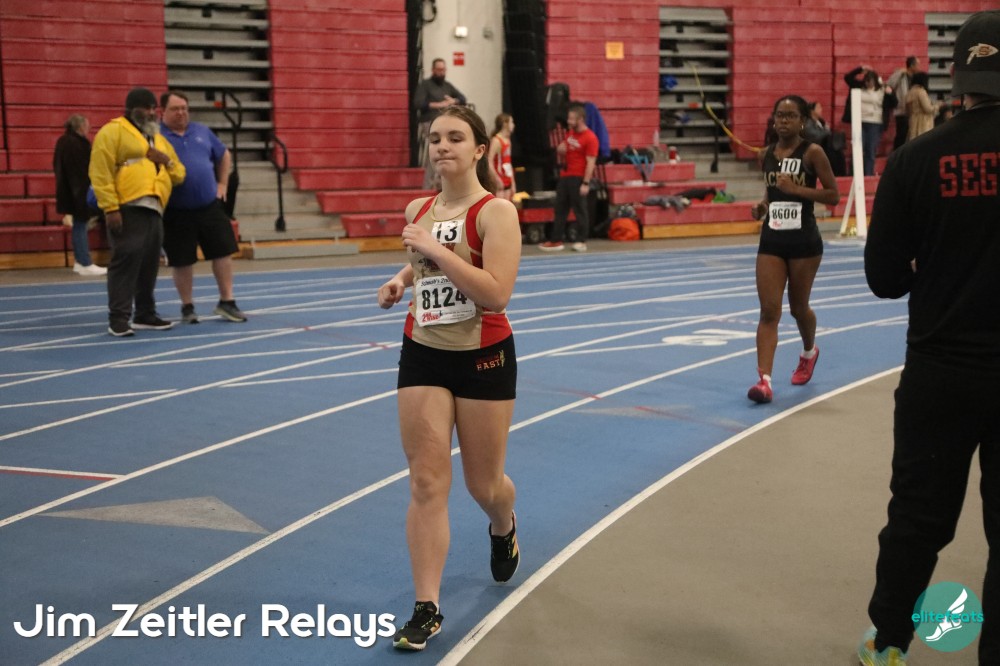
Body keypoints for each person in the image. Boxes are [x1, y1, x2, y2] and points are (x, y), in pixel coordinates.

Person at [858, 11, 1000, 665]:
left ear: (956, 75)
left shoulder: (914, 160)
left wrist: (934, 267)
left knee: (917, 517)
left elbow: (884, 279)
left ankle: (889, 643)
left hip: (940, 372)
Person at [376, 105, 521, 651]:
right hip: (423, 352)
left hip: (483, 356)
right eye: (435, 138)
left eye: (455, 137)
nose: (442, 146)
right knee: (426, 481)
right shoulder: (419, 208)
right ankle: (427, 606)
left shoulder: (496, 212)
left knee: (484, 485)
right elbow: (428, 264)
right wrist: (402, 279)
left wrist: (433, 249)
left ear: (479, 149)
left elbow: (495, 293)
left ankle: (503, 524)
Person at [747, 95, 840, 404]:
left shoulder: (813, 153)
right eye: (779, 115)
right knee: (769, 311)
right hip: (772, 241)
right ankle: (764, 381)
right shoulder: (766, 154)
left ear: (803, 121)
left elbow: (833, 196)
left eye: (790, 116)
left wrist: (796, 189)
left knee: (799, 308)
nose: (783, 121)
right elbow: (772, 192)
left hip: (804, 242)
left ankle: (809, 352)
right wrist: (763, 206)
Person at [89, 87, 185, 337]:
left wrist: (166, 161)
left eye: (154, 108)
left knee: (149, 264)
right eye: (146, 108)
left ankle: (145, 313)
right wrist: (110, 208)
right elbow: (100, 172)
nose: (151, 112)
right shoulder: (113, 131)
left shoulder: (158, 138)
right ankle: (118, 318)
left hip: (155, 208)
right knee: (125, 262)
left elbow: (179, 174)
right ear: (132, 109)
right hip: (127, 207)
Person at [159, 90, 246, 324]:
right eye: (175, 109)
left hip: (209, 205)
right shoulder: (157, 137)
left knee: (223, 251)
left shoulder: (201, 131)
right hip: (176, 210)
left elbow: (224, 154)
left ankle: (227, 301)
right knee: (182, 260)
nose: (181, 113)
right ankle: (187, 307)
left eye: (184, 109)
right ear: (162, 111)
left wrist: (222, 183)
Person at [538, 102, 599, 252]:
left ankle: (581, 240)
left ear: (581, 119)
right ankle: (556, 240)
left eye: (572, 119)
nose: (569, 121)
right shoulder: (570, 133)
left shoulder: (590, 138)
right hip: (565, 175)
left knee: (579, 210)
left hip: (578, 177)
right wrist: (561, 149)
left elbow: (591, 162)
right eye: (569, 118)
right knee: (560, 208)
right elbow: (565, 148)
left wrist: (585, 183)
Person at [54, 114, 106, 276]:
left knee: (79, 224)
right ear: (80, 126)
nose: (89, 128)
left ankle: (80, 261)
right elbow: (81, 170)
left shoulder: (64, 141)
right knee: (80, 225)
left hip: (71, 190)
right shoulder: (76, 144)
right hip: (78, 191)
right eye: (87, 125)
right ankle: (84, 261)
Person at [414, 58, 467, 189]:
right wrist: (439, 105)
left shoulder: (447, 86)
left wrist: (453, 101)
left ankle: (445, 182)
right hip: (429, 122)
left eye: (443, 70)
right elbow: (418, 103)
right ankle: (429, 184)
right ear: (433, 70)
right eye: (439, 70)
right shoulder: (425, 85)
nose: (441, 72)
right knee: (435, 152)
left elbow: (463, 98)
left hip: (446, 124)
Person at [844, 66, 887, 176]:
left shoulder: (882, 90)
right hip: (859, 121)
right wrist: (860, 69)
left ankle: (868, 175)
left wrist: (890, 93)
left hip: (875, 122)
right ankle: (854, 174)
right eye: (867, 81)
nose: (868, 84)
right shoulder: (859, 86)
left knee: (870, 150)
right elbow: (848, 78)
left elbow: (894, 102)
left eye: (870, 81)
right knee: (857, 149)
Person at [886, 56, 920, 150]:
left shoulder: (916, 77)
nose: (919, 67)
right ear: (912, 65)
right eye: (917, 65)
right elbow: (889, 84)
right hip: (901, 109)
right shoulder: (901, 75)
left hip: (912, 110)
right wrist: (900, 72)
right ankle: (896, 152)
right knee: (901, 134)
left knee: (909, 135)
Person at [903, 71, 942, 141]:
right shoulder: (921, 92)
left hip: (913, 121)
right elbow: (928, 109)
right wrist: (937, 106)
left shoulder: (910, 92)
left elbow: (907, 110)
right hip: (923, 123)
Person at [488, 113, 516, 201]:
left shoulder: (508, 140)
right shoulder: (496, 140)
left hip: (507, 177)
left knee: (508, 205)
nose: (513, 125)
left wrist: (513, 182)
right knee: (499, 205)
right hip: (499, 178)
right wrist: (496, 178)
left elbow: (509, 163)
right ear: (505, 124)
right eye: (511, 122)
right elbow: (489, 161)